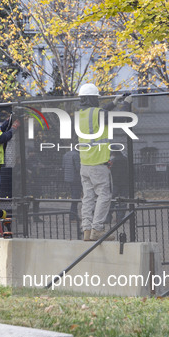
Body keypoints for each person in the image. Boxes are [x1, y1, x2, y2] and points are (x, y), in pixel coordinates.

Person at [77, 83, 132, 241]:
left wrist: (114, 103)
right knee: (105, 195)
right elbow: (120, 118)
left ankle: (87, 230)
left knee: (87, 197)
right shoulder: (98, 113)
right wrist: (126, 103)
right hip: (98, 164)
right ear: (94, 99)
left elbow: (101, 113)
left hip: (85, 164)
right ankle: (98, 229)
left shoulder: (81, 114)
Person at [62, 150, 81, 220]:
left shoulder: (66, 154)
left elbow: (63, 166)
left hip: (68, 178)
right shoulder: (76, 155)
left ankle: (73, 215)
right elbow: (78, 168)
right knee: (76, 197)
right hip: (76, 178)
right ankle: (73, 216)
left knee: (74, 197)